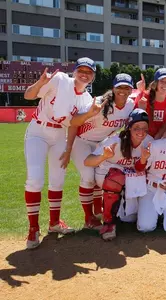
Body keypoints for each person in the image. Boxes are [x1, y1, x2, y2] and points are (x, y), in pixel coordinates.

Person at [22, 57, 96, 249]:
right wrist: (40, 83)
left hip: (59, 136)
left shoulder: (87, 99)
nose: (84, 74)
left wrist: (69, 148)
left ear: (93, 76)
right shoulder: (60, 79)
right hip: (38, 131)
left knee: (57, 180)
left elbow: (74, 124)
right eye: (81, 70)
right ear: (75, 71)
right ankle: (33, 228)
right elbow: (28, 96)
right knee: (35, 180)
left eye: (89, 72)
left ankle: (54, 223)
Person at [69, 73, 136, 229]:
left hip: (101, 143)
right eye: (120, 87)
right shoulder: (99, 102)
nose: (123, 91)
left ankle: (98, 211)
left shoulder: (131, 105)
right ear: (113, 88)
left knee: (102, 176)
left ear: (131, 90)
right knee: (88, 177)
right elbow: (73, 122)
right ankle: (88, 218)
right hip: (82, 142)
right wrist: (89, 114)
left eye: (127, 87)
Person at [84, 109, 154, 241]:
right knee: (116, 177)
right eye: (136, 128)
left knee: (129, 218)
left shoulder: (148, 142)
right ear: (129, 128)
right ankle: (109, 223)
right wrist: (104, 156)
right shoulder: (116, 141)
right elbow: (87, 161)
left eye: (145, 128)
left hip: (128, 177)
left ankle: (121, 207)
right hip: (107, 174)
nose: (141, 132)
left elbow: (139, 169)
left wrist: (143, 160)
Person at [135, 68, 166, 138]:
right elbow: (134, 122)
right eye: (162, 81)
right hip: (143, 137)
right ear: (156, 83)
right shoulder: (144, 97)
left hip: (162, 138)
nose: (165, 84)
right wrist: (142, 110)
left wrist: (158, 136)